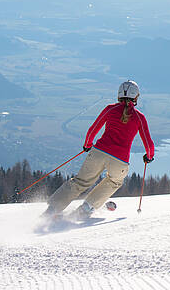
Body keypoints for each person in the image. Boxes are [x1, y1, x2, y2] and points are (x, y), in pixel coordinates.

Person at [43, 80, 154, 219]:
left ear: (119, 95)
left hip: (98, 152)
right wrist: (148, 157)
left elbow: (92, 130)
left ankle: (52, 209)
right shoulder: (139, 117)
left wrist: (88, 144)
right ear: (136, 97)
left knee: (80, 182)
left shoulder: (110, 109)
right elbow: (149, 146)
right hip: (120, 160)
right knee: (114, 181)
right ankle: (87, 207)